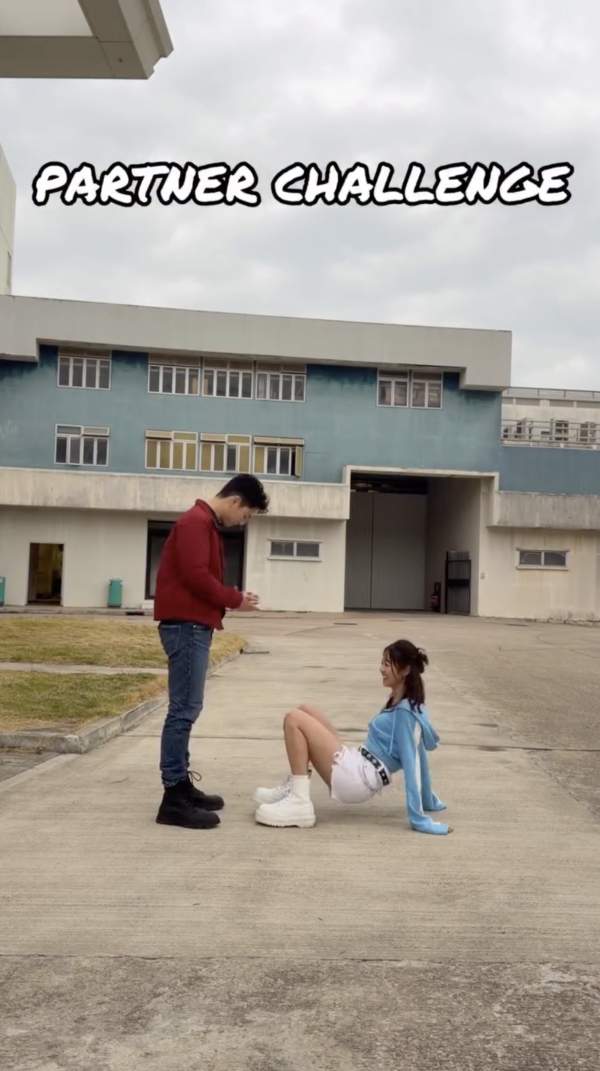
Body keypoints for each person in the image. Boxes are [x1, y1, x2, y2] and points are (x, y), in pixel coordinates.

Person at [154, 474, 269, 830]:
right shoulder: (196, 522)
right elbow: (196, 576)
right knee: (183, 711)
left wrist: (233, 598)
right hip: (186, 626)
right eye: (247, 515)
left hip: (192, 625)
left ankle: (181, 786)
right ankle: (174, 797)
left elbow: (200, 577)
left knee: (187, 709)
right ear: (234, 502)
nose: (243, 522)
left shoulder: (202, 522)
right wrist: (234, 599)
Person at [253, 639, 453, 835]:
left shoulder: (405, 713)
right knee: (305, 710)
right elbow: (420, 754)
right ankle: (295, 787)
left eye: (387, 664)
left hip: (357, 779)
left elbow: (413, 763)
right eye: (382, 663)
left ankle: (299, 802)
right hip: (358, 764)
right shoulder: (401, 702)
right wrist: (428, 800)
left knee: (293, 719)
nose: (381, 669)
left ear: (406, 670)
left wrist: (420, 819)